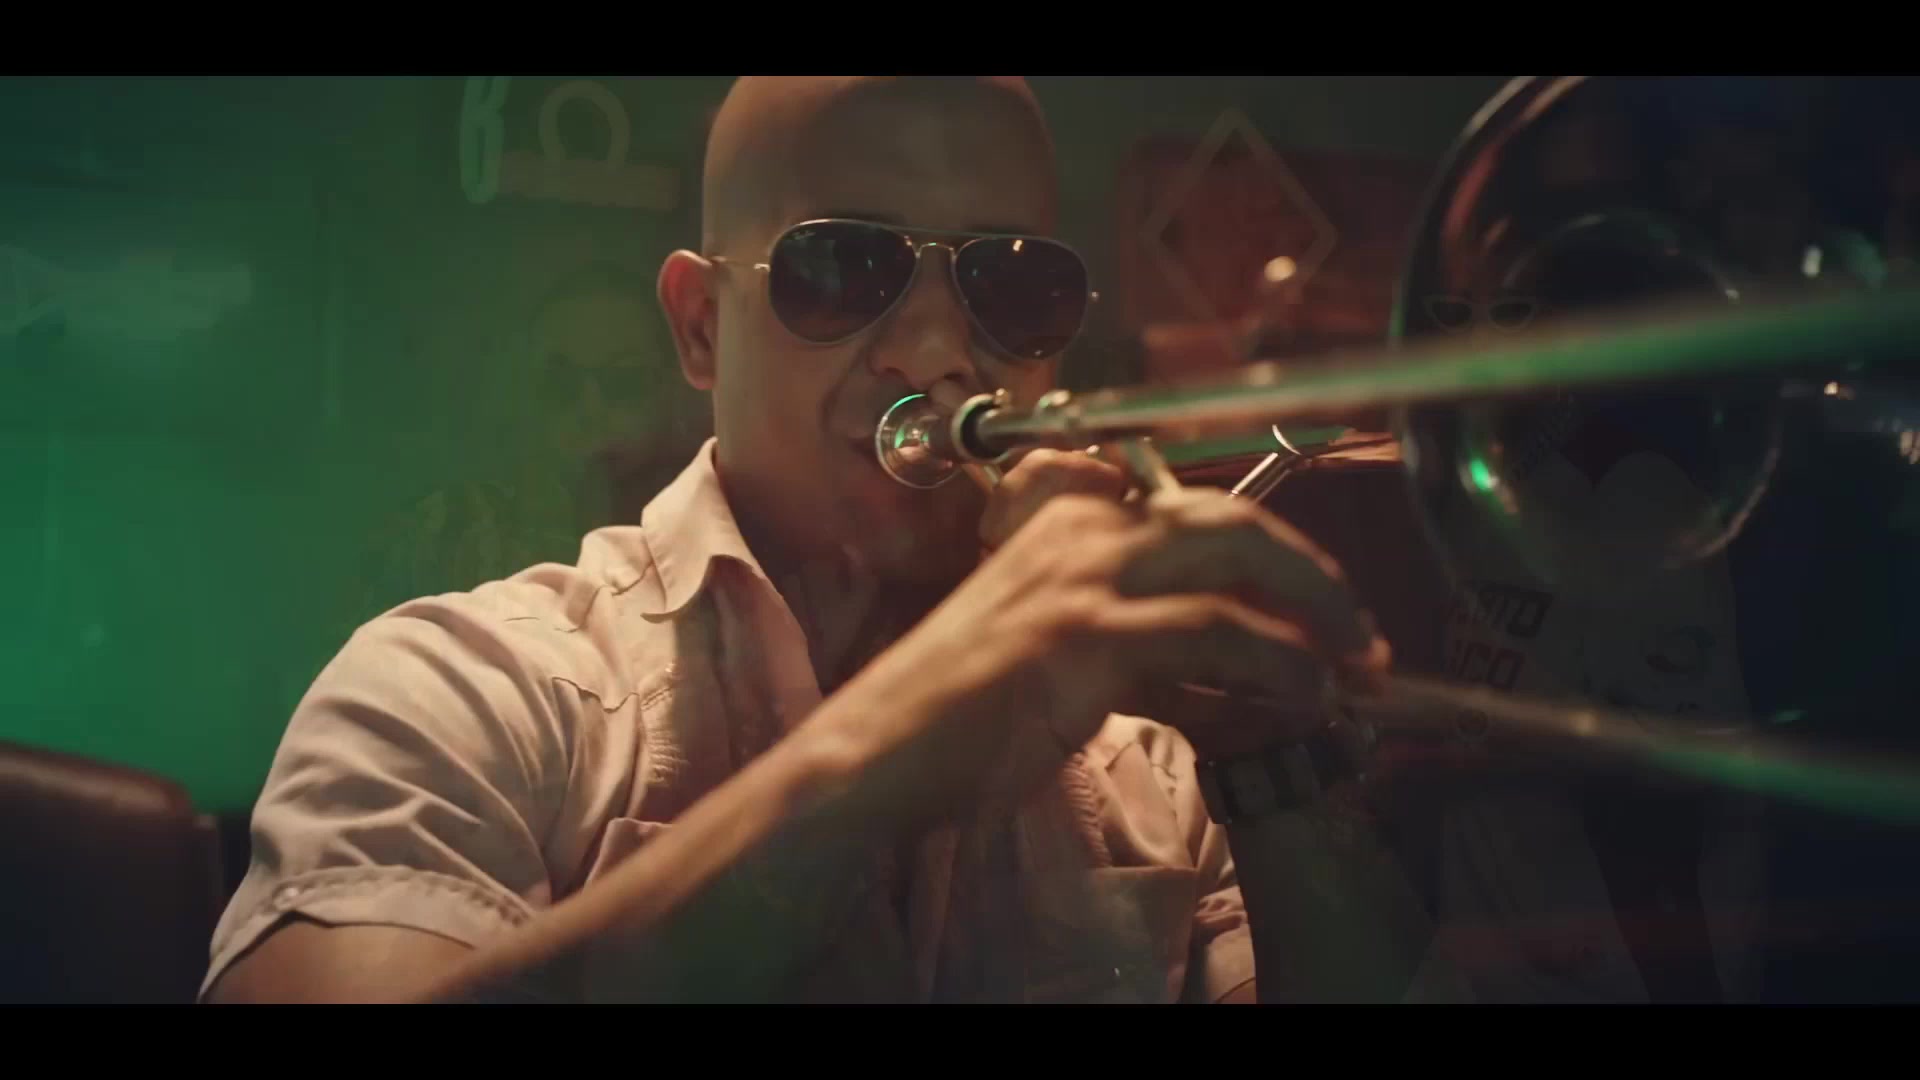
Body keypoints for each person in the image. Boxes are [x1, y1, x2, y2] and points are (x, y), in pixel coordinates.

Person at [201, 75, 1455, 1004]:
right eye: (844, 269)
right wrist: (900, 744)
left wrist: (1275, 775)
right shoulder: (463, 692)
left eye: (1011, 285)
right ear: (701, 327)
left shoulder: (1160, 765)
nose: (938, 351)